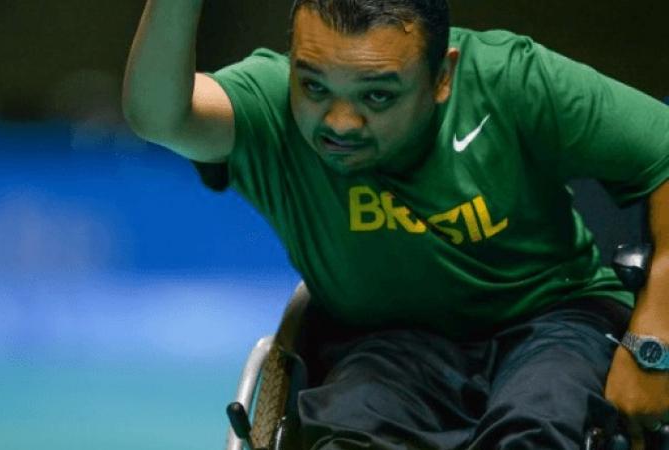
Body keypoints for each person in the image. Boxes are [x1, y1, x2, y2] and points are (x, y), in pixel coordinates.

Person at [122, 0, 669, 448]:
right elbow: (159, 116)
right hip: (386, 347)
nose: (340, 122)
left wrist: (656, 339)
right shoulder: (269, 105)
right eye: (314, 87)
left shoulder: (513, 80)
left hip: (554, 321)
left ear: (442, 77)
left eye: (377, 95)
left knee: (539, 428)